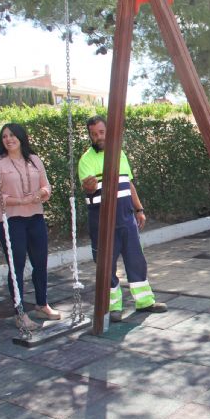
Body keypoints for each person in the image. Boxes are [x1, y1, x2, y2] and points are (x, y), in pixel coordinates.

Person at [79, 116, 167, 322]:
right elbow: (88, 188)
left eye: (101, 132)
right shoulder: (86, 160)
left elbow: (129, 184)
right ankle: (113, 307)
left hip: (127, 218)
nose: (98, 137)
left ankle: (145, 302)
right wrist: (89, 186)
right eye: (93, 134)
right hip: (102, 223)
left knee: (136, 260)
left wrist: (139, 209)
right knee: (106, 265)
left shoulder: (120, 154)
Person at [0, 123, 61, 330]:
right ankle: (20, 313)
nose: (8, 139)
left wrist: (41, 194)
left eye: (12, 135)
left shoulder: (34, 160)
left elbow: (47, 185)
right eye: (4, 137)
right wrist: (17, 201)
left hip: (35, 217)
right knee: (16, 267)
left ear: (21, 137)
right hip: (12, 221)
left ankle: (42, 304)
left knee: (40, 263)